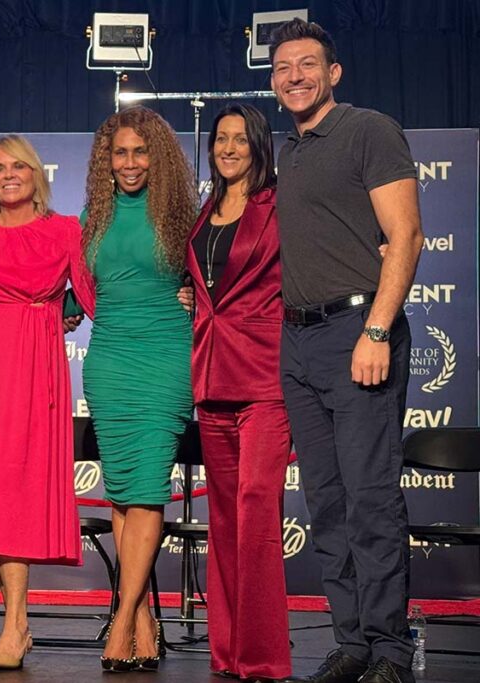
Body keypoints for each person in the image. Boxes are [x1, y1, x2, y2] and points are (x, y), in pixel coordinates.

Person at [270, 18, 423, 683]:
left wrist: (378, 331)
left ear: (333, 73)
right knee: (326, 501)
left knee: (369, 499)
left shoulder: (368, 130)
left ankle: (390, 649)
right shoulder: (288, 152)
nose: (294, 77)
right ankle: (354, 641)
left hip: (359, 333)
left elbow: (407, 236)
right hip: (297, 340)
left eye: (307, 65)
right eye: (282, 68)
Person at [0, 135, 95, 669]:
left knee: (19, 491)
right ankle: (16, 623)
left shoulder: (65, 229)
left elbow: (95, 295)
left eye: (17, 166)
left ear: (36, 174)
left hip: (37, 370)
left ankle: (15, 624)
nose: (8, 174)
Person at [66, 105, 197, 672]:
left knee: (145, 489)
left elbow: (217, 277)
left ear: (158, 156)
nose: (129, 163)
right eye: (119, 153)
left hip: (166, 357)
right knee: (122, 491)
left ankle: (120, 622)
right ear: (105, 159)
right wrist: (66, 307)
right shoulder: (91, 216)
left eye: (140, 152)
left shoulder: (184, 215)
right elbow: (75, 283)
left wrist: (196, 294)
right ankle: (144, 622)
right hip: (110, 361)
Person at [185, 104, 291, 681]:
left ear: (258, 146)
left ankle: (264, 657)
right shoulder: (207, 210)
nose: (227, 148)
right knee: (223, 519)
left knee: (255, 510)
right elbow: (208, 282)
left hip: (266, 378)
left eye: (239, 139)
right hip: (211, 377)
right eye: (220, 139)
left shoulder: (278, 207)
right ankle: (227, 652)